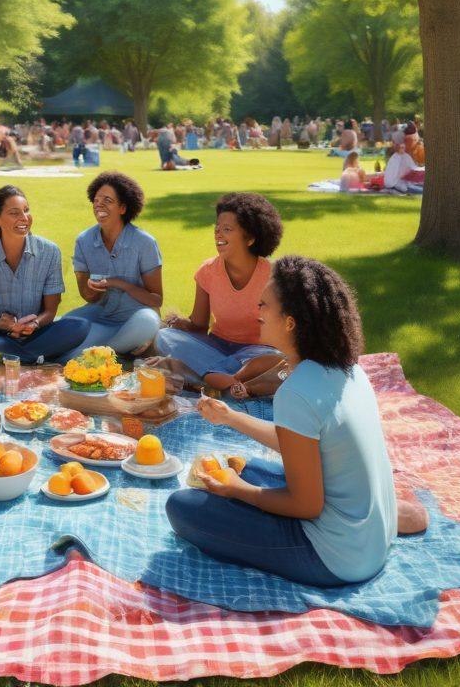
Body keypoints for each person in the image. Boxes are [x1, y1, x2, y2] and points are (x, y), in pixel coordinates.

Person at [167, 256, 427, 587]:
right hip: (371, 537)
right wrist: (231, 418)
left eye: (263, 305)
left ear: (290, 323)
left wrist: (239, 491)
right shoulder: (349, 370)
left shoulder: (296, 392)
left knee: (183, 507)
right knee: (246, 467)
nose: (257, 312)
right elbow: (299, 442)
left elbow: (306, 505)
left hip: (336, 557)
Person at [152, 193, 285, 394]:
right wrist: (179, 323)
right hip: (215, 346)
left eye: (227, 229)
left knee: (275, 359)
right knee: (165, 337)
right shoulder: (207, 271)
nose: (218, 235)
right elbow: (199, 325)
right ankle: (232, 380)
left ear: (250, 238)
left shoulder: (274, 275)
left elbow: (286, 331)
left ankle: (206, 376)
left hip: (256, 352)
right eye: (217, 229)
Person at [0, 186, 89, 363]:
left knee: (80, 326)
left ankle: (16, 357)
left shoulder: (50, 252)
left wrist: (34, 324)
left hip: (38, 333)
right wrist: (5, 325)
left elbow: (50, 311)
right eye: (14, 213)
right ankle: (33, 357)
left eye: (26, 210)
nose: (24, 217)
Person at [62, 171, 163, 359]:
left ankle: (102, 355)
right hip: (102, 316)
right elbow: (88, 296)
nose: (99, 205)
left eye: (107, 200)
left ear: (123, 208)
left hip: (136, 319)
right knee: (64, 325)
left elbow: (156, 300)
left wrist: (118, 283)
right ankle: (112, 354)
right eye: (96, 200)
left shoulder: (145, 243)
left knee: (148, 322)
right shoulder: (84, 241)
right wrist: (93, 289)